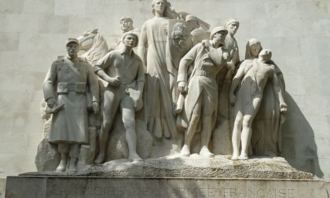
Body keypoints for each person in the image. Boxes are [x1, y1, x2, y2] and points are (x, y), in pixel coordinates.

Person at [43, 38, 99, 172]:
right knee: (62, 132)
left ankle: (73, 161)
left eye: (74, 46)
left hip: (79, 100)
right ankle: (63, 160)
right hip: (62, 100)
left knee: (77, 133)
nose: (72, 49)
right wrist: (50, 99)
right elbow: (48, 81)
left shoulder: (85, 65)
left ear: (78, 48)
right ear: (66, 48)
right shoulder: (58, 64)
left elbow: (93, 83)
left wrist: (95, 100)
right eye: (69, 46)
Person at [177, 26, 230, 157]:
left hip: (211, 82)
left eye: (224, 35)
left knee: (208, 116)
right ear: (213, 35)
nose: (222, 37)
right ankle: (186, 145)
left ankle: (204, 146)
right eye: (219, 34)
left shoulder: (224, 52)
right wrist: (182, 80)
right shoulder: (199, 47)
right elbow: (184, 61)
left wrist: (209, 47)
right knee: (194, 114)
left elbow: (219, 61)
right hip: (197, 80)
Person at [94, 32, 145, 164]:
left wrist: (139, 95)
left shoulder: (138, 61)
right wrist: (109, 79)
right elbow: (97, 67)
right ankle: (101, 153)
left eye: (134, 39)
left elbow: (141, 79)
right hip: (112, 91)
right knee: (106, 123)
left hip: (128, 92)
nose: (131, 41)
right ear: (123, 39)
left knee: (129, 122)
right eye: (129, 38)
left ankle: (133, 153)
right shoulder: (114, 54)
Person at [230, 49, 287, 160]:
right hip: (242, 93)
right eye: (265, 50)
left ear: (270, 57)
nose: (267, 51)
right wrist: (231, 93)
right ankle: (235, 152)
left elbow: (277, 87)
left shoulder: (270, 68)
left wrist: (281, 102)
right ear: (259, 53)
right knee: (237, 122)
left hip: (256, 95)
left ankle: (244, 152)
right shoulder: (248, 62)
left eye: (269, 52)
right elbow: (237, 77)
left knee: (247, 122)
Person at [138, 0, 178, 139]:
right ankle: (154, 125)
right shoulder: (148, 24)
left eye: (163, 3)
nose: (160, 5)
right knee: (154, 90)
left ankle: (168, 125)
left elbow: (180, 43)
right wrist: (141, 64)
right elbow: (142, 45)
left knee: (167, 90)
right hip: (153, 55)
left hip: (168, 58)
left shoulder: (171, 22)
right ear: (153, 6)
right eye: (158, 3)